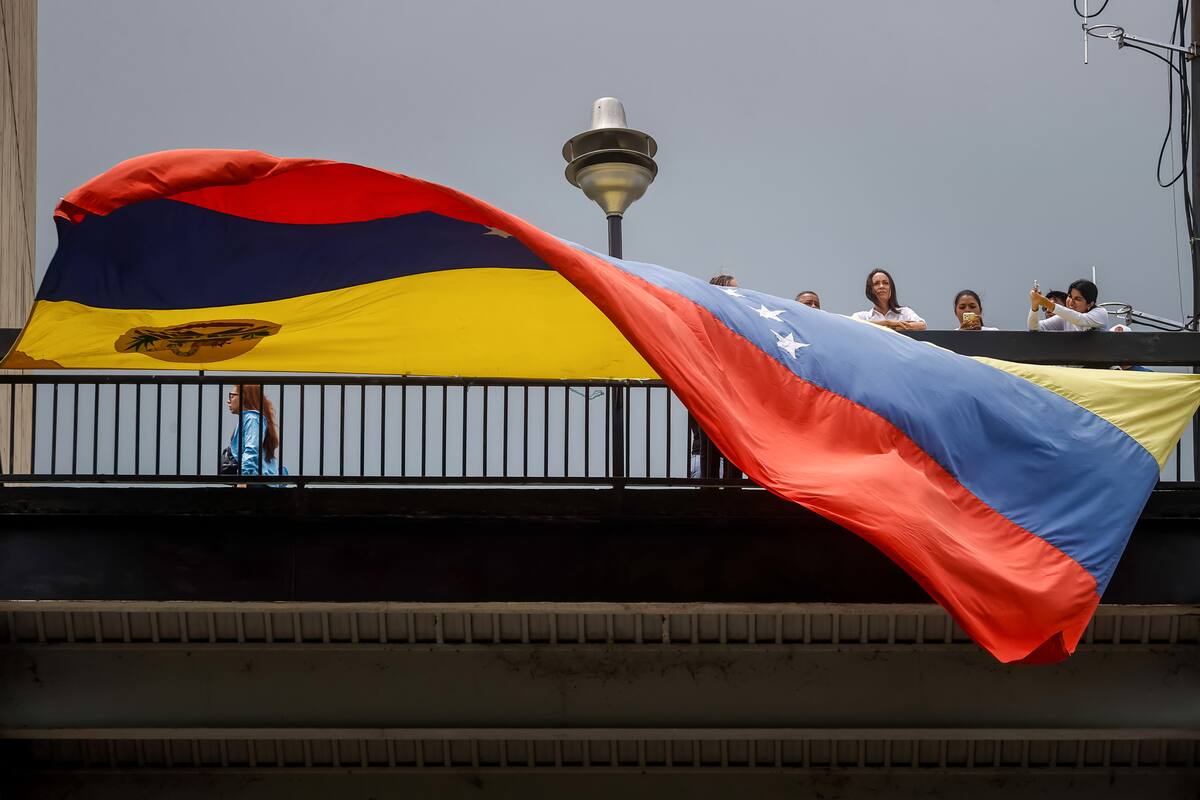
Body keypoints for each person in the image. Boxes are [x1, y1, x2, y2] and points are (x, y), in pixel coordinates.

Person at [690, 275, 739, 479]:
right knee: (707, 492)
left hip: (734, 450)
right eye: (734, 291)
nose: (739, 297)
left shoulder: (737, 329)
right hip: (705, 451)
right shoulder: (704, 325)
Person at [225, 383, 283, 481]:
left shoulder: (252, 419)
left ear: (244, 397)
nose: (228, 401)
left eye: (232, 396)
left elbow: (252, 449)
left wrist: (243, 478)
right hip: (256, 478)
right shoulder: (250, 418)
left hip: (253, 479)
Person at [851, 269, 926, 330]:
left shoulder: (904, 312)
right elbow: (852, 324)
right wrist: (887, 323)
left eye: (885, 283)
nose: (881, 286)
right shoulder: (862, 316)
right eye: (876, 283)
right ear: (871, 290)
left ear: (891, 288)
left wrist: (894, 327)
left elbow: (922, 325)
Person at [1028, 279, 1108, 331]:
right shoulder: (1064, 318)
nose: (1071, 302)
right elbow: (1034, 328)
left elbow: (1080, 320)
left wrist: (1048, 304)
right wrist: (1035, 306)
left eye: (1077, 299)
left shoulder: (1100, 313)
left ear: (1090, 304)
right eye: (1069, 296)